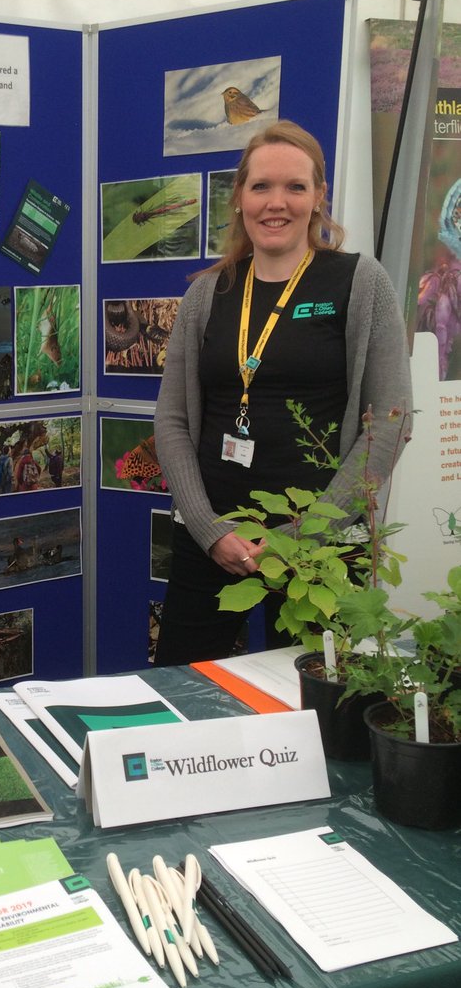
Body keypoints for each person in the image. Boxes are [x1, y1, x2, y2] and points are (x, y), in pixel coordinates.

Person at [153, 120, 412, 667]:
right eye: (261, 186)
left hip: (323, 546)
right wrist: (209, 529)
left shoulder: (360, 283)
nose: (277, 203)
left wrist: (306, 534)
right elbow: (172, 420)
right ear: (240, 197)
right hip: (213, 540)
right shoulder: (208, 293)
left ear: (319, 196)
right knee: (187, 687)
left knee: (319, 698)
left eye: (295, 186)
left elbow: (390, 422)